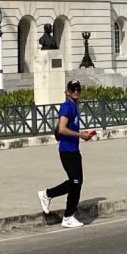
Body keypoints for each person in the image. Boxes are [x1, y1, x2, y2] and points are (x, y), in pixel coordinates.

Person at [39, 79, 97, 228]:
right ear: (68, 92)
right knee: (75, 182)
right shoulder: (67, 106)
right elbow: (62, 129)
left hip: (73, 150)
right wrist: (80, 135)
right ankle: (49, 196)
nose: (76, 92)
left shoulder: (73, 106)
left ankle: (67, 214)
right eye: (73, 89)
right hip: (67, 151)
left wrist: (83, 135)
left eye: (78, 89)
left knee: (77, 183)